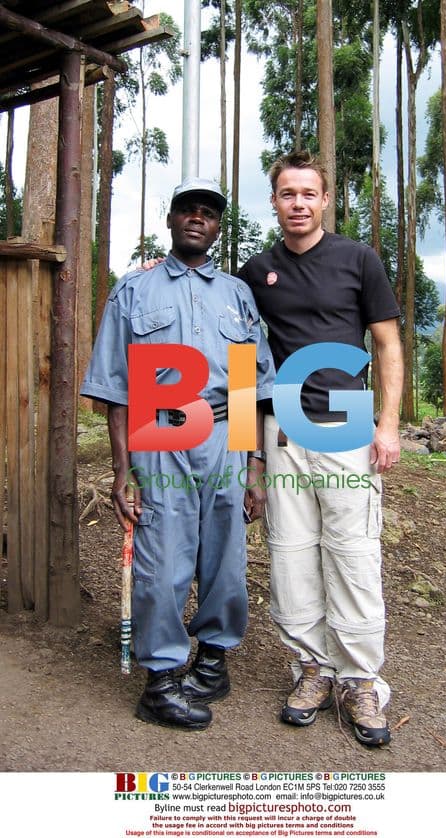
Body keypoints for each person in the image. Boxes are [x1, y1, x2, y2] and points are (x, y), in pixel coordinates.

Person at [81, 178, 275, 731]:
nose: (197, 218)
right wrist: (122, 471)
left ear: (217, 227)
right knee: (162, 558)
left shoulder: (237, 295)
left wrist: (254, 466)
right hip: (159, 431)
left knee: (226, 557)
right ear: (170, 220)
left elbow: (248, 385)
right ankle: (161, 680)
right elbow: (116, 388)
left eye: (208, 212)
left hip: (224, 435)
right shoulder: (133, 290)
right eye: (187, 209)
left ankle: (213, 662)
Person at [237, 150, 403, 746]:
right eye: (288, 194)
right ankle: (312, 668)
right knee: (289, 555)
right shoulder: (256, 272)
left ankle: (360, 680)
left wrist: (388, 425)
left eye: (309, 194)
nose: (299, 204)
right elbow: (241, 363)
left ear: (326, 200)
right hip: (282, 430)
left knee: (353, 554)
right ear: (274, 201)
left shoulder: (359, 260)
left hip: (347, 428)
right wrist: (249, 456)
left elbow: (387, 345)